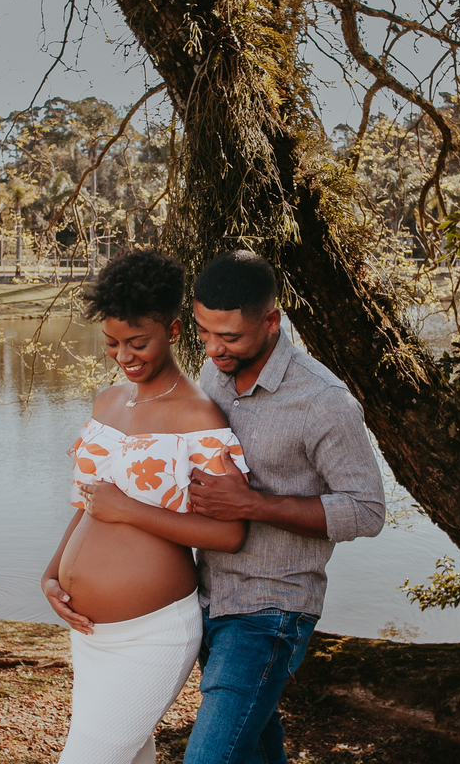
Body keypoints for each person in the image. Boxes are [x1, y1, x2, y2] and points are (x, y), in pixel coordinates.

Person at [84, 249, 387, 764]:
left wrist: (256, 504)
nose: (214, 348)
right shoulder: (216, 378)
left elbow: (367, 510)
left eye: (229, 337)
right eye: (203, 332)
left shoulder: (323, 402)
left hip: (272, 610)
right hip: (209, 597)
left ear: (271, 321)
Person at [42, 248, 250, 764]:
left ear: (174, 332)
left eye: (138, 343)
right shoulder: (108, 400)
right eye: (112, 343)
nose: (124, 355)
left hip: (152, 634)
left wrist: (129, 511)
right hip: (90, 636)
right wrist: (51, 576)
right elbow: (89, 505)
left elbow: (231, 534)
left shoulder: (199, 416)